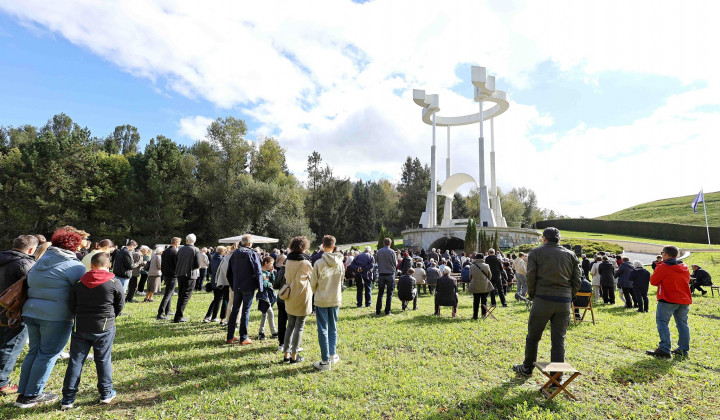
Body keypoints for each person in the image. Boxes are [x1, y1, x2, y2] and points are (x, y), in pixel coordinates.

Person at [15, 228, 87, 409]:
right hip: (56, 316)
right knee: (47, 354)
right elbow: (83, 291)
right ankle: (32, 395)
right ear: (75, 245)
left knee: (34, 352)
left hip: (31, 311)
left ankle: (23, 393)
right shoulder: (75, 266)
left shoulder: (40, 261)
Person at [513, 227, 581, 378]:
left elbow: (531, 276)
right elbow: (577, 279)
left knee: (533, 336)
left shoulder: (536, 252)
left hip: (542, 299)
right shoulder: (570, 255)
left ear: (544, 238)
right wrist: (570, 296)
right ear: (559, 239)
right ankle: (557, 376)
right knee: (558, 339)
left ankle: (527, 367)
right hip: (563, 301)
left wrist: (532, 294)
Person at [60, 252, 123, 409]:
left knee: (75, 361)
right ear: (108, 266)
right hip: (104, 326)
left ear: (91, 266)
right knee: (103, 359)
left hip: (81, 326)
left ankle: (68, 399)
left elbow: (71, 304)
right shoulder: (114, 282)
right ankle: (106, 394)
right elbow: (120, 304)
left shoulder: (79, 283)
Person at [0, 235, 38, 395]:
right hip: (12, 310)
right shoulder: (26, 264)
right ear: (30, 249)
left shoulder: (3, 257)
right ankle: (2, 383)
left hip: (2, 306)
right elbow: (34, 286)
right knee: (11, 344)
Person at [647, 246, 692, 358]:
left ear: (665, 254)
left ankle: (664, 349)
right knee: (683, 324)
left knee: (662, 322)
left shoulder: (663, 267)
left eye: (662, 253)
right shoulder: (684, 266)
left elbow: (653, 281)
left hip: (668, 299)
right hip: (684, 299)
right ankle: (683, 349)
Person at [310, 235, 344, 371]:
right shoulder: (340, 262)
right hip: (335, 298)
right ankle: (332, 354)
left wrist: (317, 292)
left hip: (322, 299)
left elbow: (313, 283)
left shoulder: (318, 263)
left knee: (323, 329)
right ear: (334, 246)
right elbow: (342, 280)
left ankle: (325, 361)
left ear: (323, 246)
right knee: (333, 327)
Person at [281, 236, 313, 364]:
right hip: (302, 295)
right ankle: (294, 356)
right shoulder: (305, 263)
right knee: (299, 326)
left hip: (289, 295)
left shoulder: (288, 261)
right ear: (304, 247)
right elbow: (312, 278)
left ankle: (286, 354)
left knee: (290, 326)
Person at [226, 235, 262, 345]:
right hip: (248, 287)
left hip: (237, 286)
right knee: (245, 312)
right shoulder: (252, 254)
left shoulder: (235, 254)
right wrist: (260, 287)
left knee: (234, 311)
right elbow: (258, 271)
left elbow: (229, 272)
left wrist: (233, 284)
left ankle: (230, 337)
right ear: (250, 244)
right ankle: (243, 338)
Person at [173, 234, 202, 323]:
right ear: (194, 241)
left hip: (180, 273)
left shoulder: (180, 249)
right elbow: (198, 264)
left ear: (186, 240)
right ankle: (178, 316)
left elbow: (176, 260)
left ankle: (178, 315)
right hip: (190, 275)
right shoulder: (195, 250)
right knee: (185, 296)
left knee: (181, 295)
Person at [157, 237, 180, 320]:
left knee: (169, 293)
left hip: (166, 274)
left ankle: (168, 310)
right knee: (168, 294)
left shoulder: (165, 251)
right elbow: (177, 265)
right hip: (172, 275)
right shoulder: (175, 252)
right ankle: (160, 313)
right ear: (177, 243)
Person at [203, 246, 228, 323]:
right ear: (222, 251)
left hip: (213, 280)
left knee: (216, 299)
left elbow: (209, 270)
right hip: (220, 281)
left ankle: (208, 316)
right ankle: (213, 317)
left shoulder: (212, 259)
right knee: (219, 299)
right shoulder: (222, 260)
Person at [256, 257, 278, 340]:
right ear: (266, 263)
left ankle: (261, 332)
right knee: (270, 313)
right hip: (262, 296)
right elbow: (263, 285)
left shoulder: (268, 272)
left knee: (264, 313)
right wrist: (267, 283)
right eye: (271, 263)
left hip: (268, 295)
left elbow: (272, 281)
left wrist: (272, 273)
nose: (272, 265)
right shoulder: (260, 272)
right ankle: (274, 332)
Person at [375, 238, 397, 316]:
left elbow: (377, 261)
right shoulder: (392, 252)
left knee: (380, 293)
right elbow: (395, 263)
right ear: (390, 244)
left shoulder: (379, 251)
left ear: (384, 243)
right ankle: (387, 311)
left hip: (381, 274)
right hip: (390, 274)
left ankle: (378, 310)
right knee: (389, 293)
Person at [468, 255, 494, 320]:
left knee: (476, 301)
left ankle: (475, 316)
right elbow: (490, 276)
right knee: (484, 301)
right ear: (483, 258)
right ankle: (484, 315)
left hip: (475, 285)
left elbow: (470, 276)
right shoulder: (486, 265)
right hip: (484, 285)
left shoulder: (472, 266)